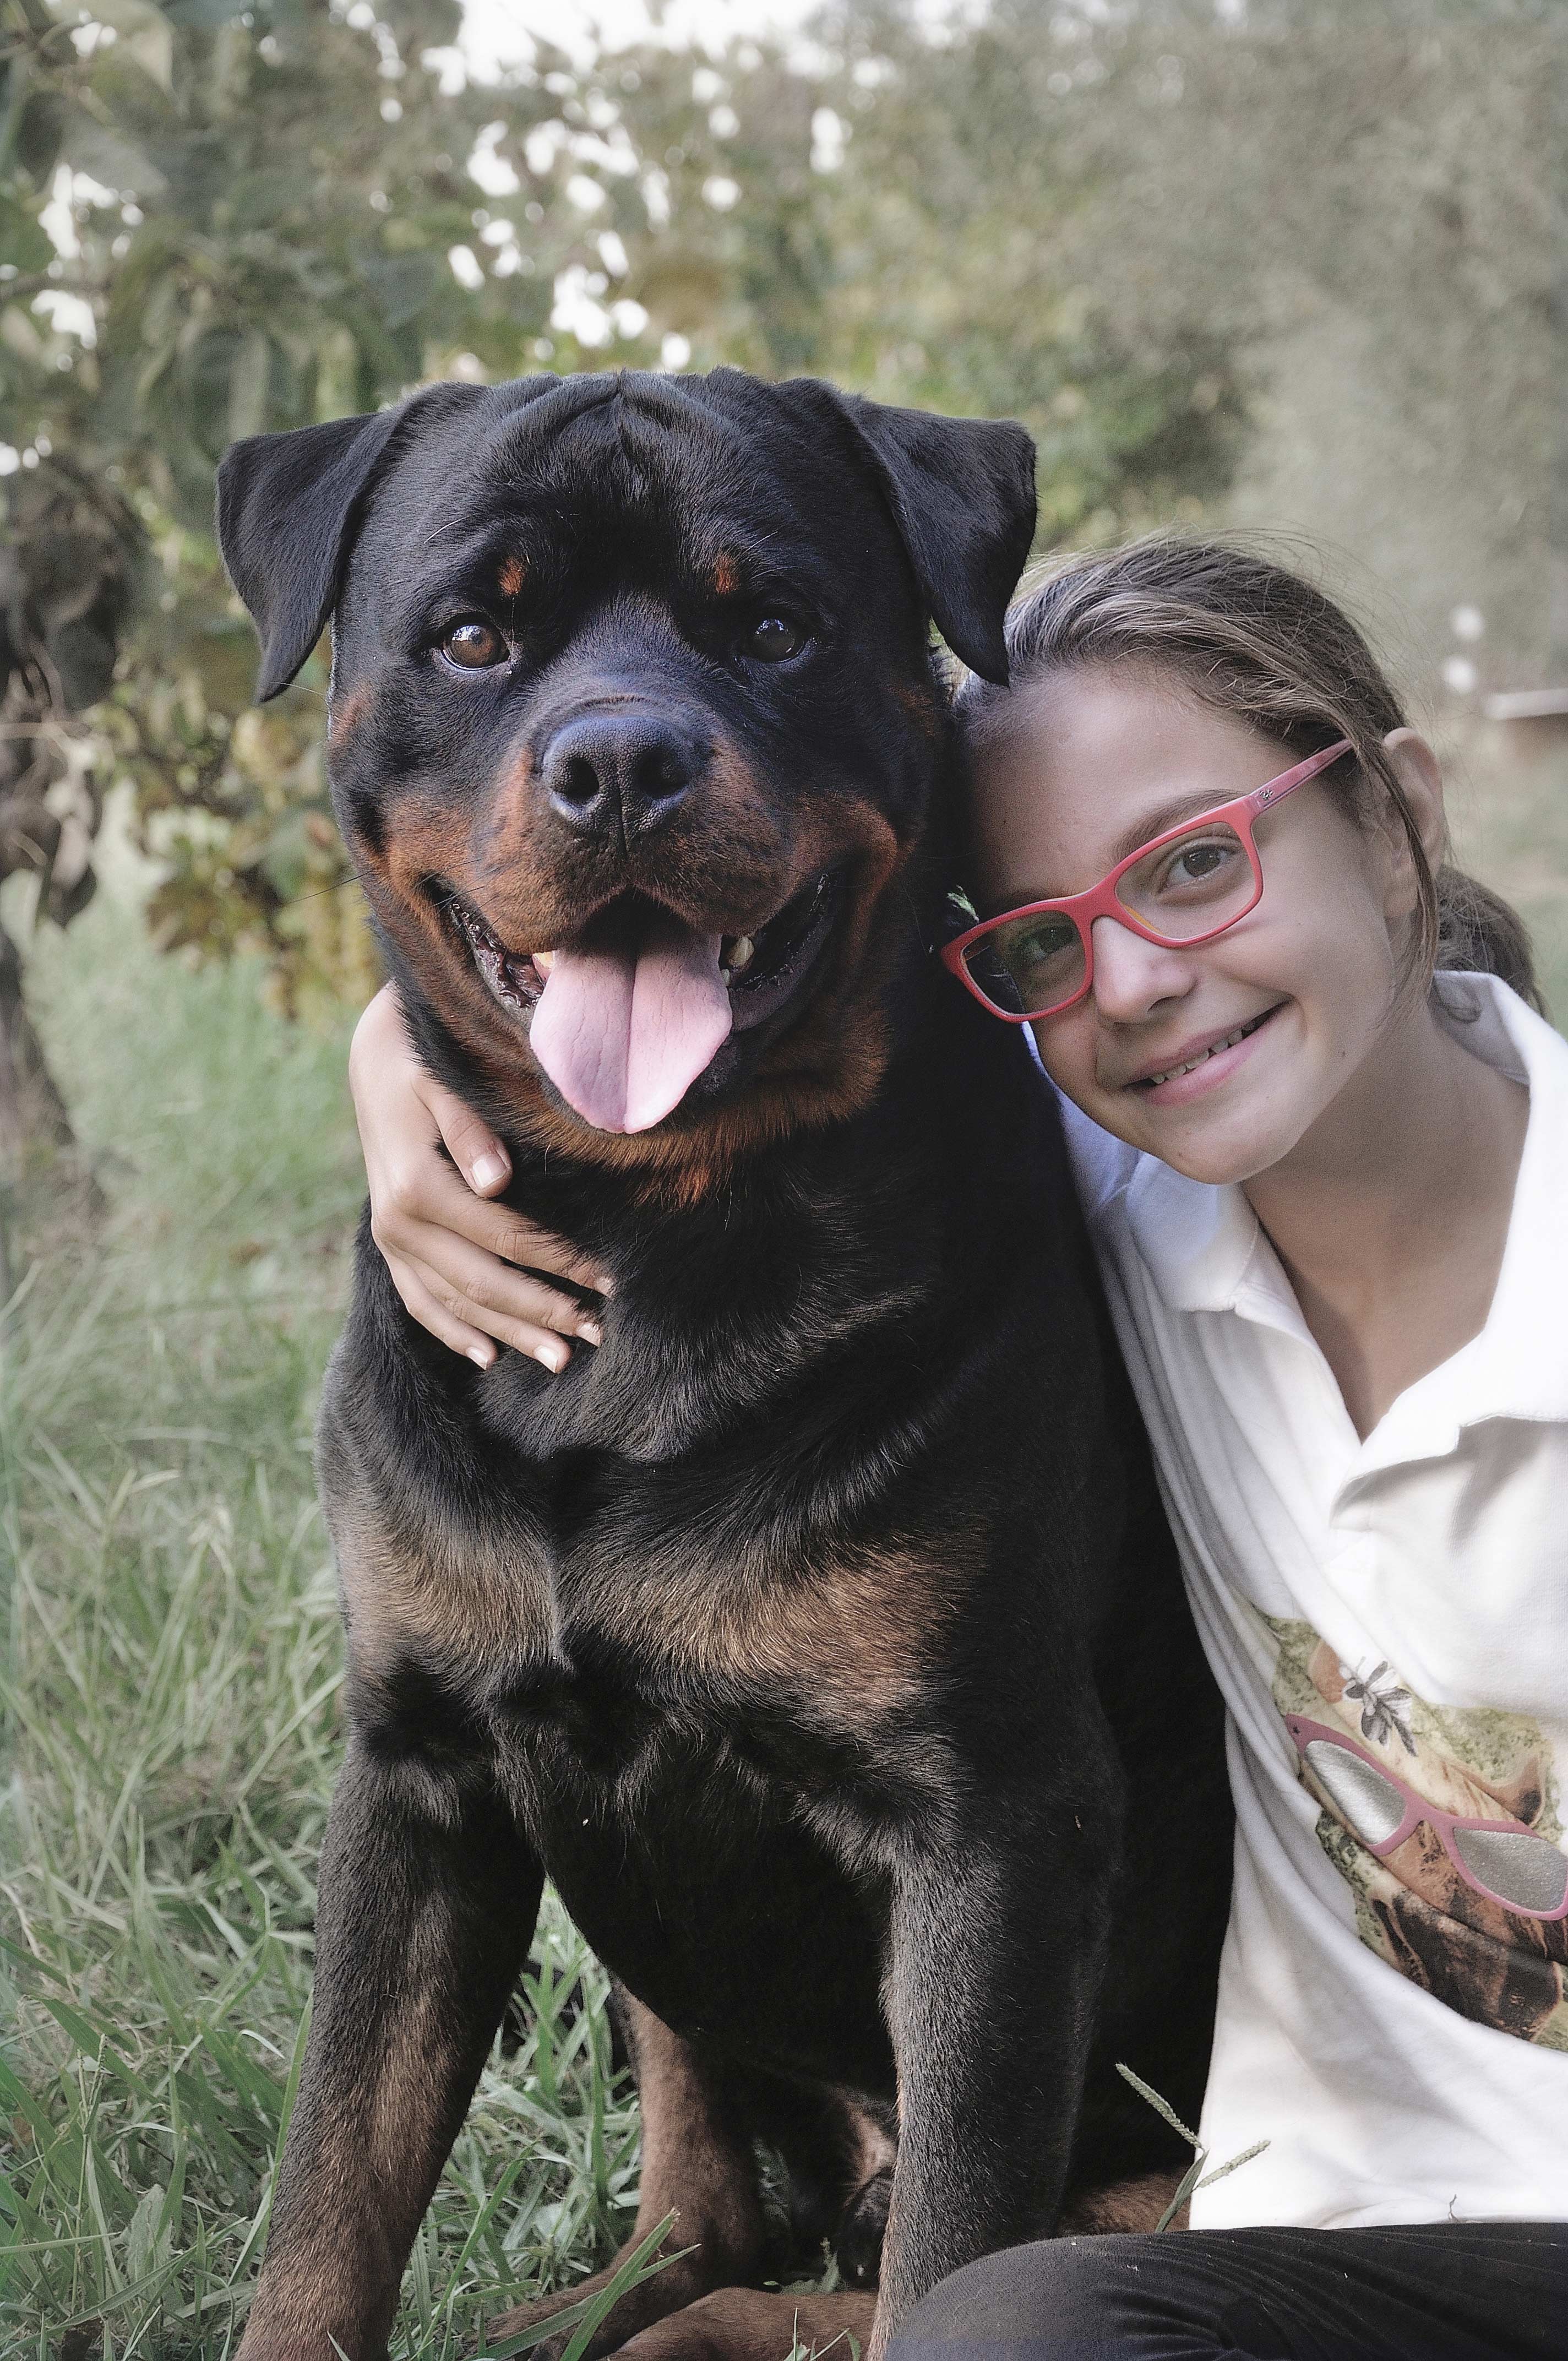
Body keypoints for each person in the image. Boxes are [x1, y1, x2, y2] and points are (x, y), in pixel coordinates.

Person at [344, 539, 1568, 2358]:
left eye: (1199, 862)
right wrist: (401, 1056)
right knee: (1019, 2336)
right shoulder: (1132, 1212)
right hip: (1310, 2235)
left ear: (1394, 819)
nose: (1138, 982)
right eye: (1042, 940)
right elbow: (693, 992)